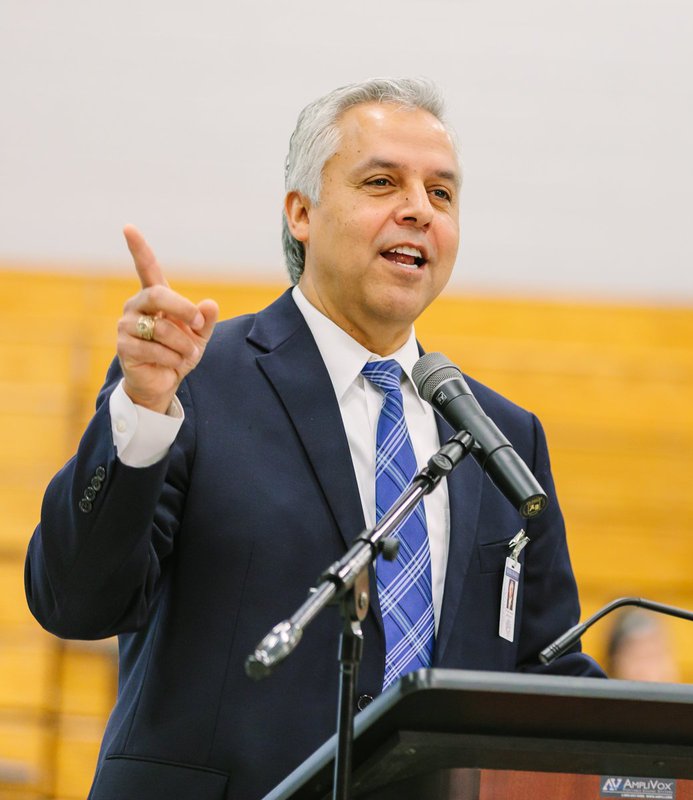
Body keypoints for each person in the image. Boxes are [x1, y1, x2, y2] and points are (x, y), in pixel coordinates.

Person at [24, 78, 601, 800]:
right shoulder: (193, 384)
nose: (419, 210)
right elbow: (75, 601)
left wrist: (691, 751)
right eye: (383, 181)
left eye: (442, 194)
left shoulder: (502, 436)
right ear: (301, 212)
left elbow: (547, 676)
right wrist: (140, 412)